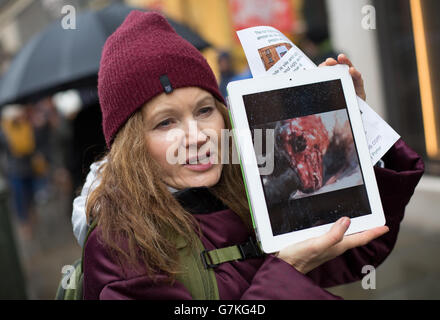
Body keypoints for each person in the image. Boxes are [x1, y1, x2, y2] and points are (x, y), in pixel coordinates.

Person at [74, 11, 424, 299]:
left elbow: (359, 249)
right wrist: (287, 272)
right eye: (166, 122)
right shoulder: (118, 245)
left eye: (204, 111)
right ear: (132, 145)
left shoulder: (247, 180)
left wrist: (356, 130)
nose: (197, 137)